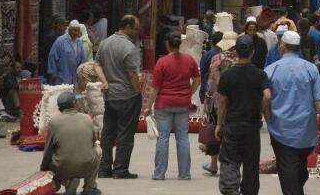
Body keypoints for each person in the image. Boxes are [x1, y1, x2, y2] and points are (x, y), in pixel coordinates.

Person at [264, 31, 320, 195]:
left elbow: (264, 98)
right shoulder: (311, 69)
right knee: (297, 167)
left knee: (289, 172)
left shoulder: (271, 70)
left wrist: (266, 115)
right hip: (305, 130)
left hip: (280, 129)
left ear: (283, 46)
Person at [216, 35, 271, 195]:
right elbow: (267, 95)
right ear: (252, 53)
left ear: (236, 52)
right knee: (251, 163)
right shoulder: (260, 74)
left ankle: (230, 190)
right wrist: (260, 109)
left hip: (232, 124)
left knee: (229, 160)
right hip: (252, 126)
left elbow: (222, 102)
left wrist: (219, 123)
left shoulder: (228, 75)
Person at [143, 31, 201, 181]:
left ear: (168, 44)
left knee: (163, 138)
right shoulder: (189, 60)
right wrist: (189, 92)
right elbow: (197, 79)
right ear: (179, 44)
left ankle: (159, 174)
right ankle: (184, 174)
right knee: (182, 137)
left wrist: (148, 106)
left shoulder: (161, 62)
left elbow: (155, 88)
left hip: (164, 104)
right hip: (183, 104)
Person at [94, 15, 142, 179]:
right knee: (125, 134)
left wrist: (105, 82)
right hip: (128, 95)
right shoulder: (129, 47)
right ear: (127, 26)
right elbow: (132, 74)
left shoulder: (104, 43)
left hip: (110, 96)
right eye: (135, 29)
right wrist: (138, 91)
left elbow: (97, 64)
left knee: (108, 133)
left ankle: (104, 168)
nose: (137, 32)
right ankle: (120, 169)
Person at [40, 92, 102, 195]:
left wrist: (44, 169)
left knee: (56, 155)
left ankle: (67, 181)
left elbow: (48, 150)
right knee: (98, 149)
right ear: (74, 103)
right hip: (86, 166)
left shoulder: (54, 122)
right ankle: (89, 187)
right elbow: (93, 141)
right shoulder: (87, 118)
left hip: (62, 168)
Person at [203, 32, 239, 176]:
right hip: (235, 102)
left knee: (214, 131)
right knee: (231, 132)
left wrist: (207, 100)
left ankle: (213, 164)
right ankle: (230, 163)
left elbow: (212, 83)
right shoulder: (240, 60)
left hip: (217, 100)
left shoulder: (216, 58)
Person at [48, 20, 84, 85]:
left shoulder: (79, 42)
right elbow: (52, 56)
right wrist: (52, 72)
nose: (76, 33)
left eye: (78, 31)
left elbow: (81, 58)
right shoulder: (60, 41)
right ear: (69, 30)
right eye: (74, 30)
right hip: (61, 77)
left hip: (74, 77)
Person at [199, 31, 224, 104]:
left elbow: (202, 72)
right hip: (220, 90)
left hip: (206, 87)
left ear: (212, 42)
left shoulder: (206, 55)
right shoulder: (224, 56)